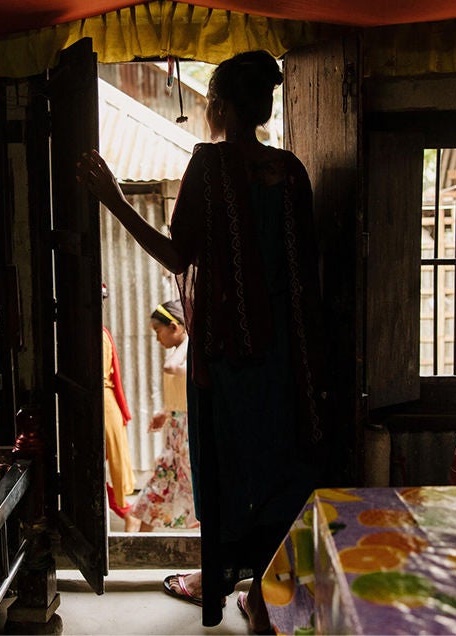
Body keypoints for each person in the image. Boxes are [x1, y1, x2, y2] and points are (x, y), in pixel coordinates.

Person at [78, 50, 329, 633]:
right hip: (288, 362)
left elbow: (177, 255)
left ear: (218, 105)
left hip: (225, 364)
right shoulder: (291, 171)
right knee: (276, 473)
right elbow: (302, 273)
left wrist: (114, 199)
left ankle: (223, 582)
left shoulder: (210, 167)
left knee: (227, 476)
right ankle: (269, 600)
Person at [125, 300, 199, 533]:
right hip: (175, 434)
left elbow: (171, 368)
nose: (158, 339)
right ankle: (140, 544)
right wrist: (166, 413)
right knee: (160, 483)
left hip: (189, 434)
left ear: (175, 327)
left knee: (192, 486)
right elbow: (180, 393)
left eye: (159, 331)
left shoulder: (189, 356)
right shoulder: (183, 355)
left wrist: (189, 337)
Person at [102, 284, 139, 528]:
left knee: (111, 463)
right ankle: (128, 515)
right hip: (104, 402)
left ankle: (129, 515)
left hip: (104, 403)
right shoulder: (97, 332)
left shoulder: (98, 334)